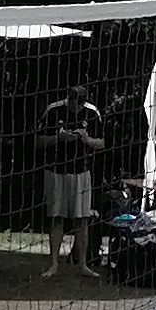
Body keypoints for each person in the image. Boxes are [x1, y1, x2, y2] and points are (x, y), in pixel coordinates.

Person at [41, 96, 101, 269]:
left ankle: (83, 264)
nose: (77, 107)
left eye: (80, 103)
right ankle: (54, 263)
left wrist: (86, 139)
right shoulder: (53, 110)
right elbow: (38, 140)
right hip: (55, 171)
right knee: (56, 217)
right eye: (74, 102)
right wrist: (59, 138)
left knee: (82, 219)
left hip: (81, 171)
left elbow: (101, 143)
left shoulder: (92, 112)